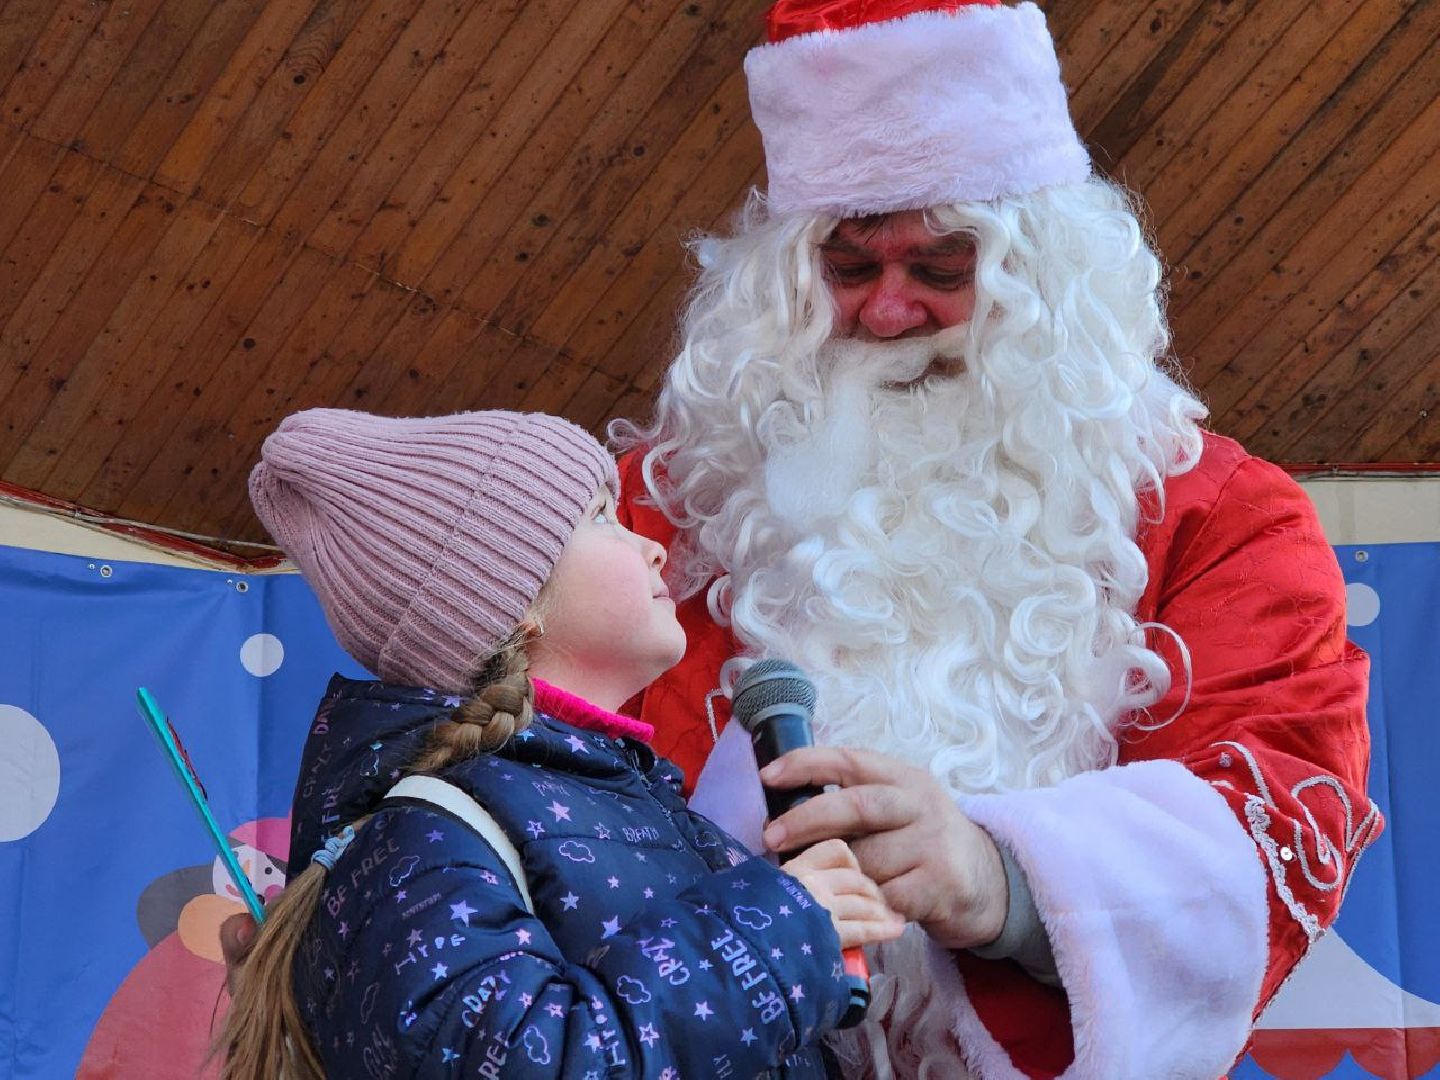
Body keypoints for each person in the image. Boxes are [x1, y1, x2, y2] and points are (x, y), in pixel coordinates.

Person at [609, 0, 1380, 1076]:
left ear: (1045, 280)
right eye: (848, 266)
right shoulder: (649, 515)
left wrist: (1003, 881)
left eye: (941, 269)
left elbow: (1276, 809)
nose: (887, 313)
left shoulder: (1225, 518)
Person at [218, 408, 904, 1079]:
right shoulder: (417, 838)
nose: (652, 545)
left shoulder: (648, 808)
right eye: (601, 518)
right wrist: (774, 936)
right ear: (510, 596)